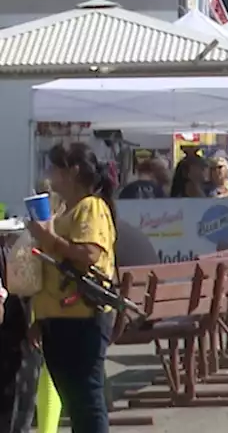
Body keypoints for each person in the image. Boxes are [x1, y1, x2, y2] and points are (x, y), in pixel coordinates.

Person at [26, 143, 118, 433]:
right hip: (58, 317)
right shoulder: (67, 209)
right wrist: (39, 318)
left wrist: (48, 238)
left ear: (72, 171)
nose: (50, 175)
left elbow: (89, 254)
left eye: (54, 168)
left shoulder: (91, 207)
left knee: (86, 399)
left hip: (82, 316)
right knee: (74, 398)